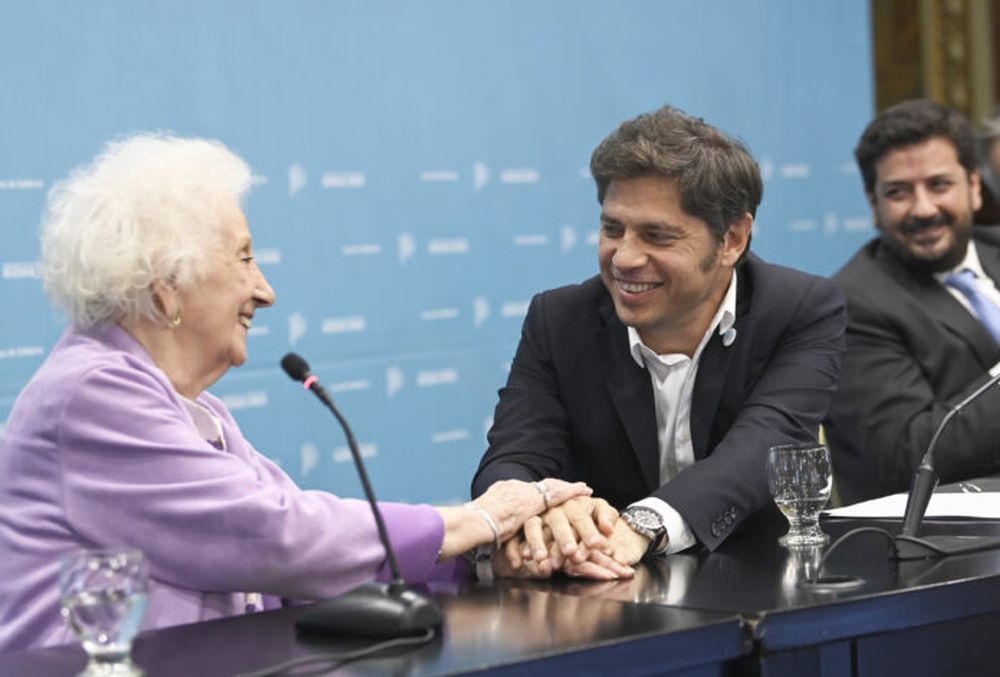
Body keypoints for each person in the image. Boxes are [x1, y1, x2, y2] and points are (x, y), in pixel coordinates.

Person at [0, 134, 594, 653]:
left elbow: (315, 559)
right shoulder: (94, 395)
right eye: (244, 258)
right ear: (167, 287)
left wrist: (487, 557)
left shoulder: (196, 412)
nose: (265, 291)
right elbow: (274, 537)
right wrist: (479, 521)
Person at [472, 105, 847, 572]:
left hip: (759, 579)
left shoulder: (800, 309)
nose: (624, 258)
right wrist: (537, 511)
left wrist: (641, 527)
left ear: (732, 239)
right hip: (599, 582)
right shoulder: (559, 319)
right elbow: (514, 455)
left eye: (657, 236)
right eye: (613, 229)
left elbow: (765, 444)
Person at [825, 99, 1000, 505]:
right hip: (950, 533)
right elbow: (910, 451)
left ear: (974, 187)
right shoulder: (850, 304)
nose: (923, 209)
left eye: (939, 185)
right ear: (874, 205)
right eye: (898, 192)